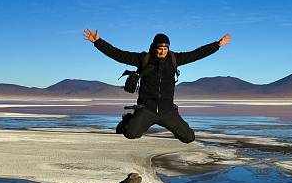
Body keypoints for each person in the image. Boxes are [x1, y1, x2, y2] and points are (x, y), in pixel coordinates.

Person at [84, 29, 231, 143]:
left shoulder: (174, 59)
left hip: (167, 110)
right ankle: (128, 120)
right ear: (154, 47)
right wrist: (98, 42)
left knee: (189, 138)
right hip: (147, 109)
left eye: (165, 48)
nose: (162, 51)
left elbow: (196, 54)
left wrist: (216, 45)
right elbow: (118, 55)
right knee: (130, 134)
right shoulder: (144, 59)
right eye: (160, 48)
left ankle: (169, 124)